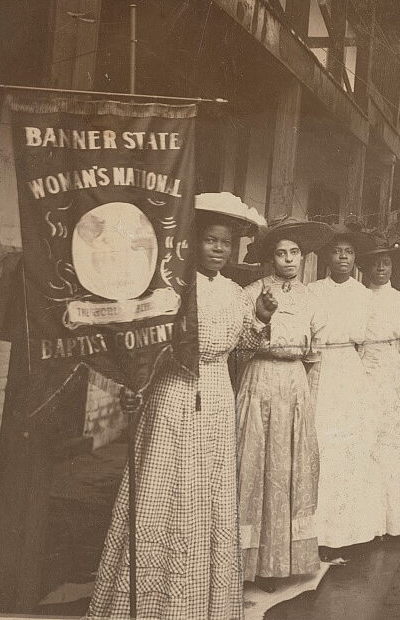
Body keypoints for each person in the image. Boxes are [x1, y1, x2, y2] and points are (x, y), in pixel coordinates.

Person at [87, 192, 270, 620]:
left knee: (208, 492)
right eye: (210, 240)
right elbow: (144, 346)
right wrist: (135, 385)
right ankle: (155, 603)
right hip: (173, 393)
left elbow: (243, 345)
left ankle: (202, 603)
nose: (219, 249)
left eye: (226, 242)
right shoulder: (172, 288)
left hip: (218, 395)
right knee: (165, 488)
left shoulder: (235, 292)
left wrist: (259, 317)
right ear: (194, 241)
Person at [235, 215, 333, 592]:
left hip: (294, 384)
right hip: (259, 379)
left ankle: (284, 561)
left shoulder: (312, 299)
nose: (289, 260)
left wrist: (308, 399)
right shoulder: (252, 292)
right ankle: (250, 560)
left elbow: (317, 355)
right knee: (254, 465)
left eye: (294, 253)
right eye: (281, 253)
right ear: (269, 258)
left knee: (289, 468)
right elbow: (241, 344)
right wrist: (262, 317)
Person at [307, 218, 386, 552]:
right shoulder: (312, 291)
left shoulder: (365, 296)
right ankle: (316, 534)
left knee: (351, 449)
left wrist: (365, 384)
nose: (342, 257)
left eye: (348, 252)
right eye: (336, 252)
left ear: (355, 258)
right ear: (327, 258)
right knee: (320, 445)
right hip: (319, 371)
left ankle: (350, 533)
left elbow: (372, 345)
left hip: (350, 374)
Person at [358, 231, 400, 537]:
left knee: (392, 444)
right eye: (375, 264)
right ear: (365, 268)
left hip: (393, 375)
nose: (381, 269)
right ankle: (368, 523)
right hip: (364, 371)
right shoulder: (359, 297)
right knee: (366, 442)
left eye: (386, 263)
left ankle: (393, 521)